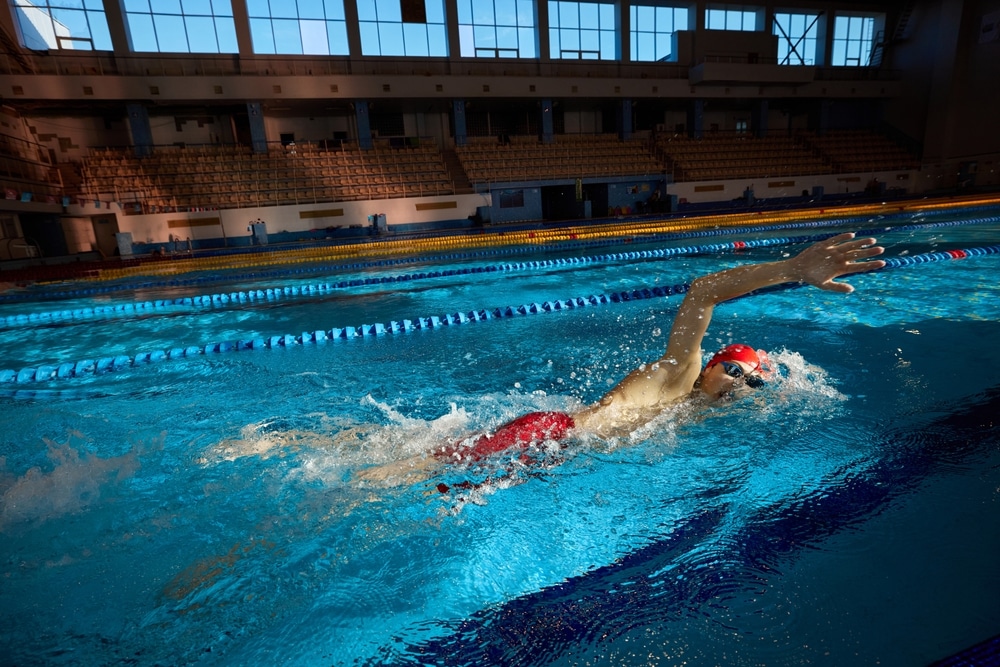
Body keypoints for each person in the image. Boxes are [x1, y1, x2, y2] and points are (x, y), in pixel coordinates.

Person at [359, 232, 885, 486]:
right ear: (710, 364)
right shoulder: (679, 375)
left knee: (432, 484)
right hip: (550, 433)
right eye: (733, 368)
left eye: (749, 381)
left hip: (560, 454)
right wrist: (790, 269)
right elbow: (702, 293)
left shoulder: (698, 412)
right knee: (396, 478)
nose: (739, 382)